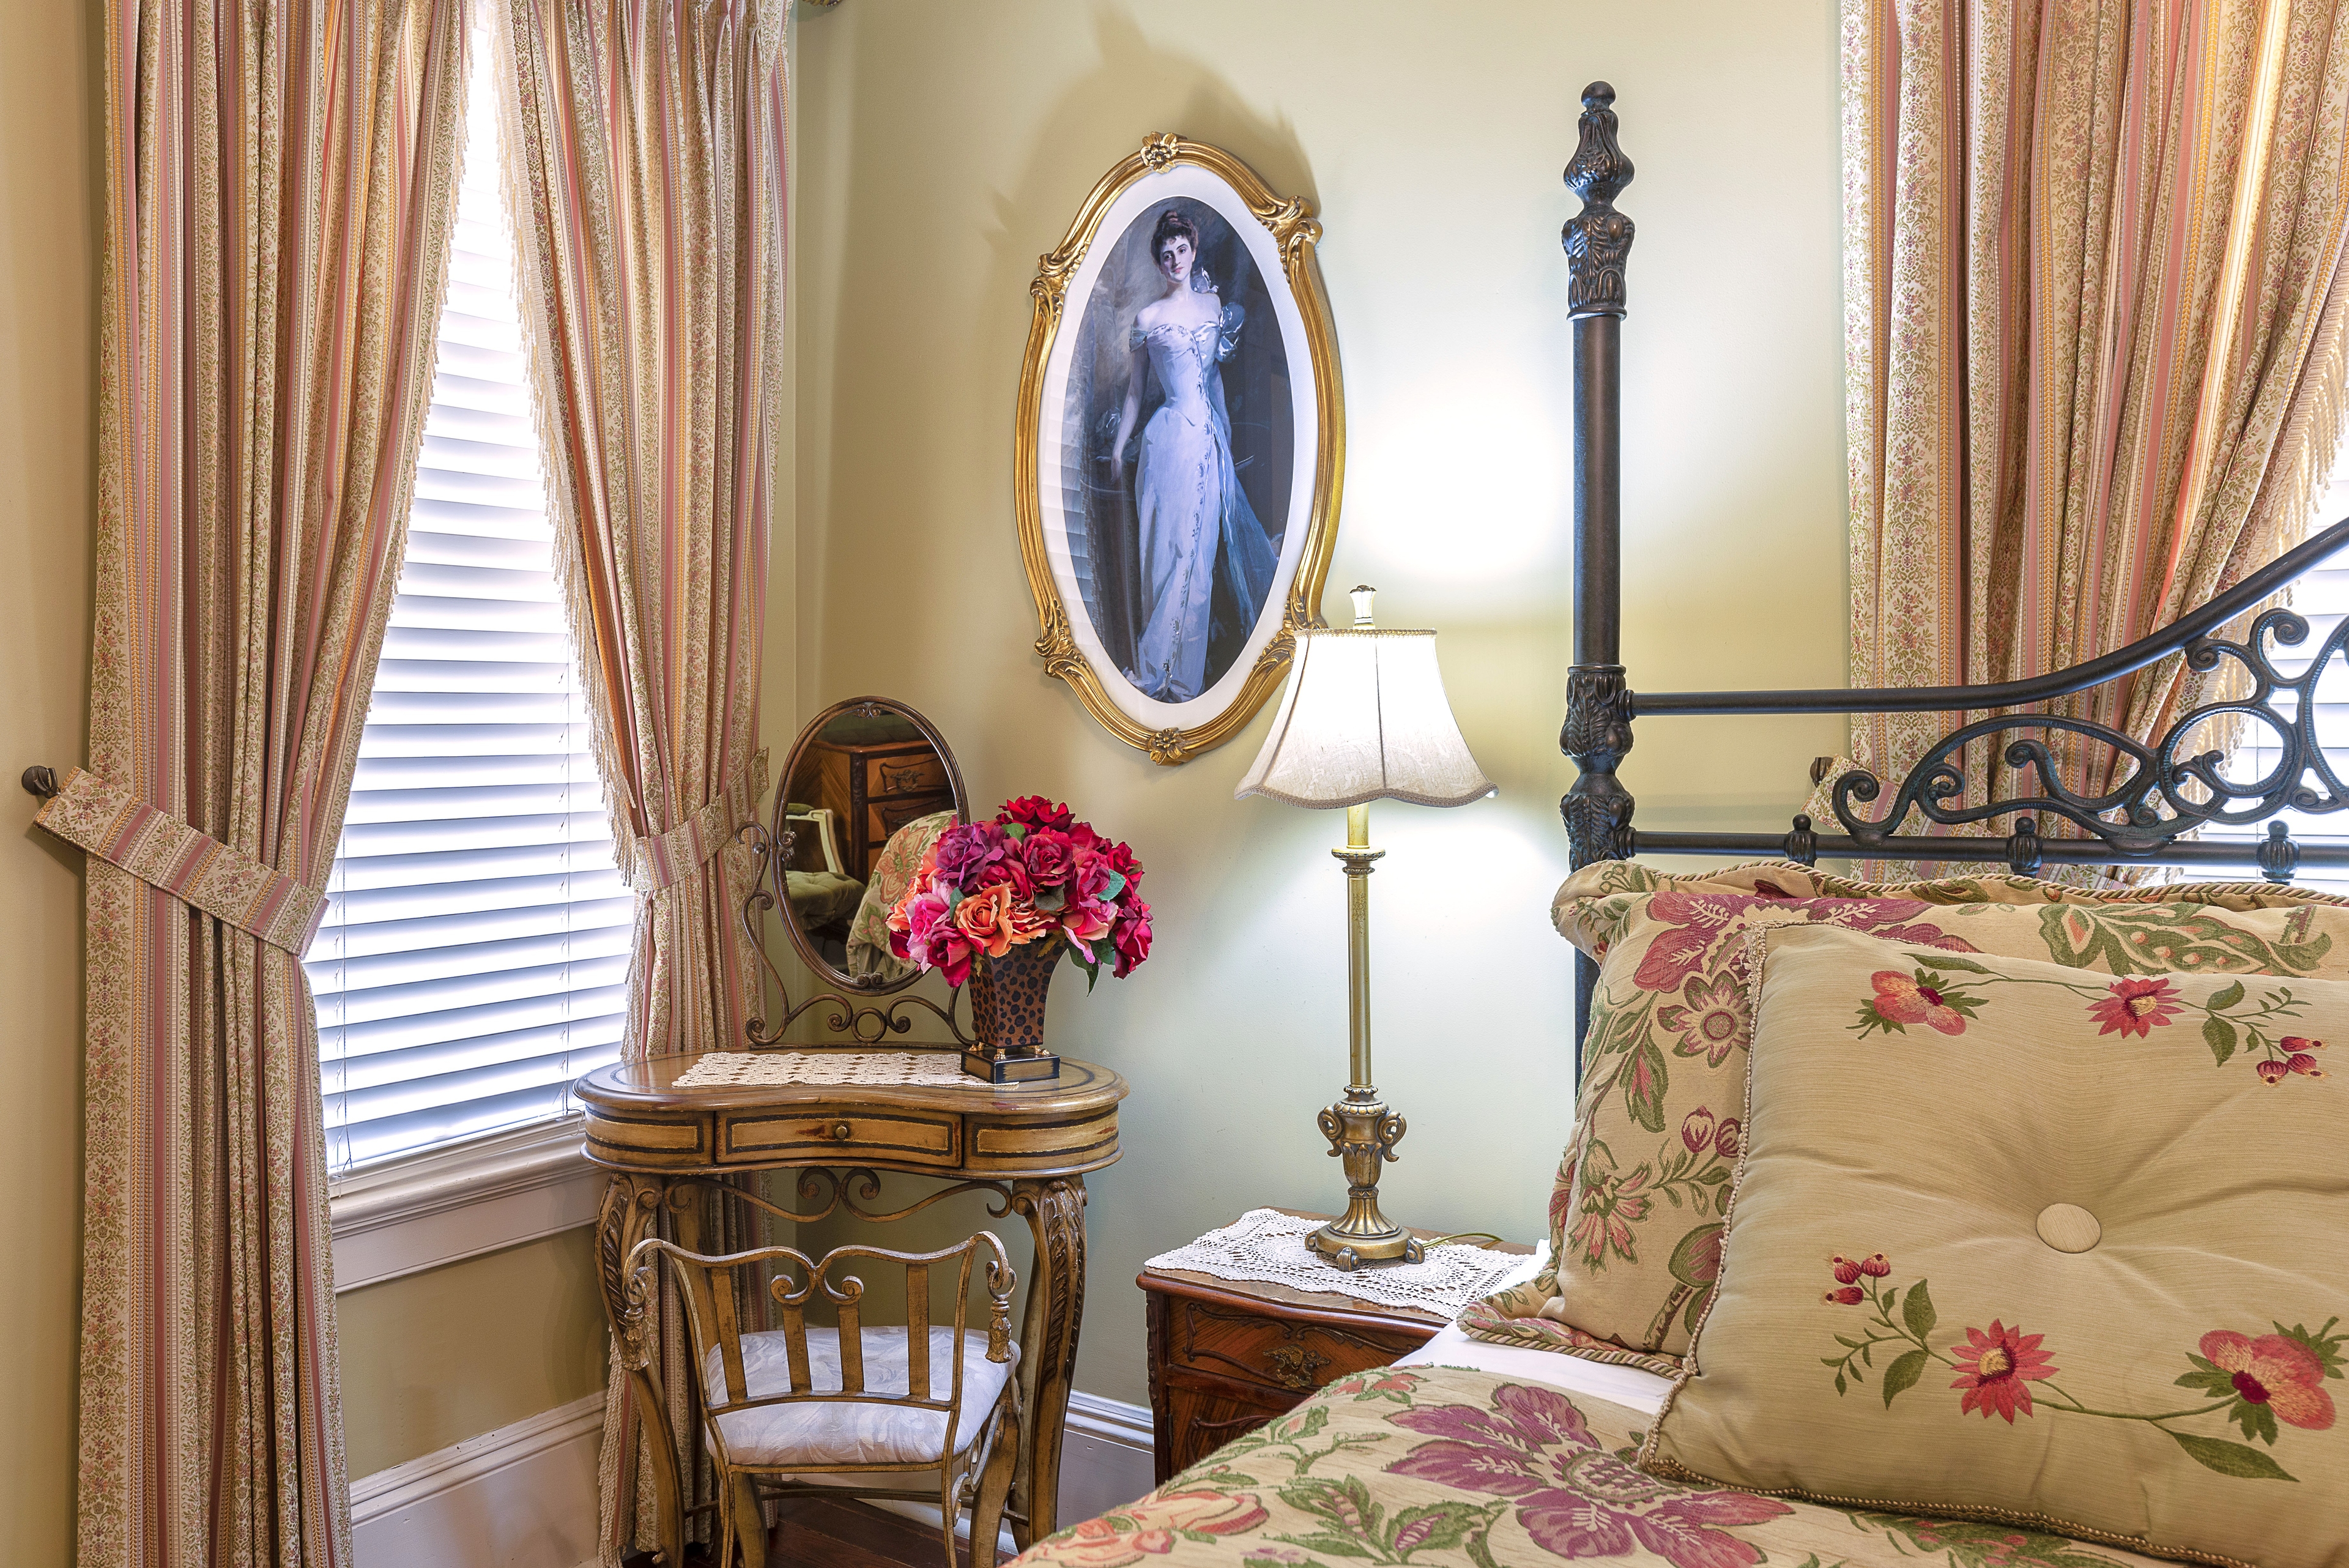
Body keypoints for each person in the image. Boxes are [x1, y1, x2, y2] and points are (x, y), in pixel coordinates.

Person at [1110, 207, 1278, 702]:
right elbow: (1137, 395)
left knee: (1198, 561)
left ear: (1194, 247)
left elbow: (1213, 377)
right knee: (1164, 555)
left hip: (1206, 440)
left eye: (1182, 250)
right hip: (1166, 445)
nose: (1175, 261)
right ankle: (1152, 670)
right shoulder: (1148, 319)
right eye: (1166, 255)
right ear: (1159, 264)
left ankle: (1183, 682)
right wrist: (1121, 448)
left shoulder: (1213, 306)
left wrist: (1223, 426)